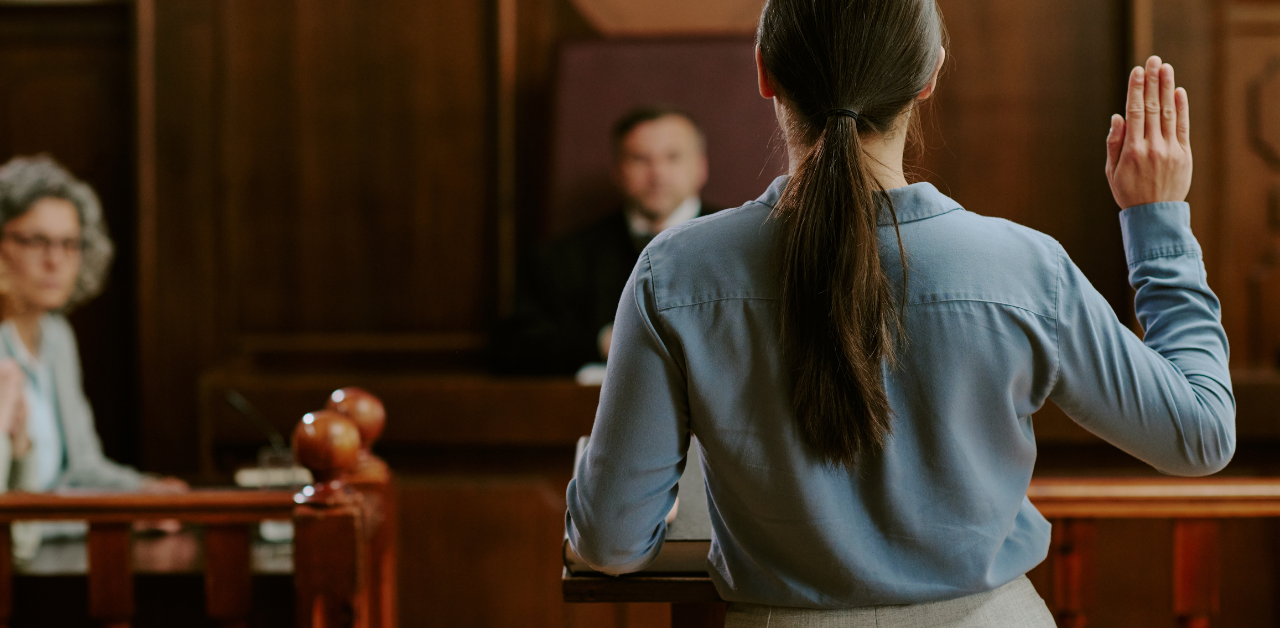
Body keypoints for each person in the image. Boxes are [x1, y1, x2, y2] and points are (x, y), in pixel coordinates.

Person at [566, 0, 1230, 625]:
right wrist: (1157, 221)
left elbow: (611, 544)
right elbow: (1199, 436)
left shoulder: (676, 272)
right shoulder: (1023, 268)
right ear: (929, 74)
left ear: (765, 72)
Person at [0, 156, 186, 557]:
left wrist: (142, 492)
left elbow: (81, 467)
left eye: (69, 244)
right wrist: (117, 517)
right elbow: (11, 510)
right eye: (35, 241)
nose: (55, 260)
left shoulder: (57, 336)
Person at [491, 106, 720, 375]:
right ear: (618, 170)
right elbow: (517, 345)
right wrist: (605, 342)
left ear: (701, 166)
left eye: (673, 157)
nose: (657, 174)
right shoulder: (562, 258)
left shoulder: (746, 243)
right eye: (640, 159)